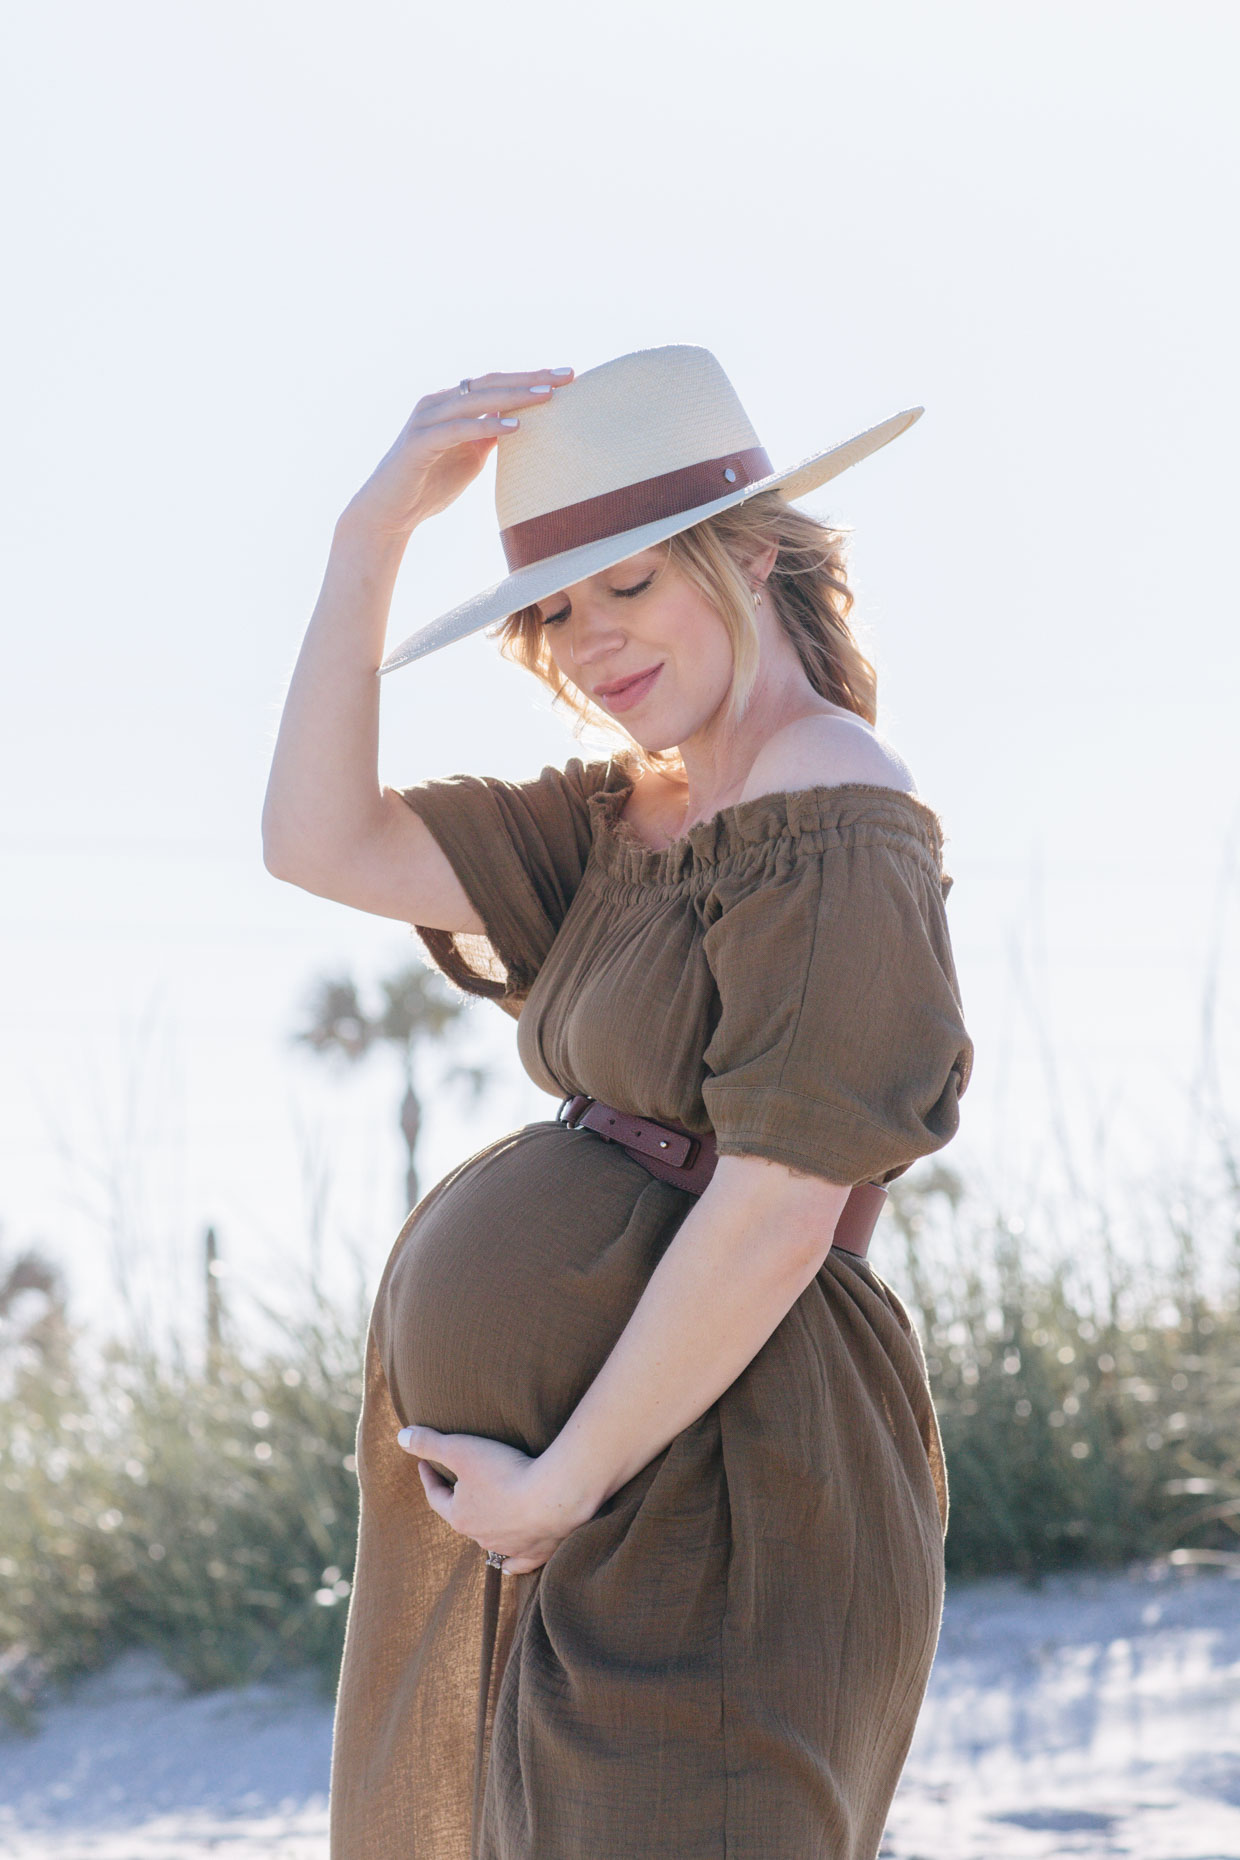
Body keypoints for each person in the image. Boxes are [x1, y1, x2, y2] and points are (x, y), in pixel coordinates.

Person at [262, 345, 975, 1860]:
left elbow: (780, 1203)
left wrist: (559, 1485)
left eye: (630, 584)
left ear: (756, 550)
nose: (589, 642)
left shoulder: (828, 797)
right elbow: (317, 836)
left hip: (728, 1477)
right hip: (589, 1491)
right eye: (555, 611)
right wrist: (367, 539)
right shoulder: (615, 823)